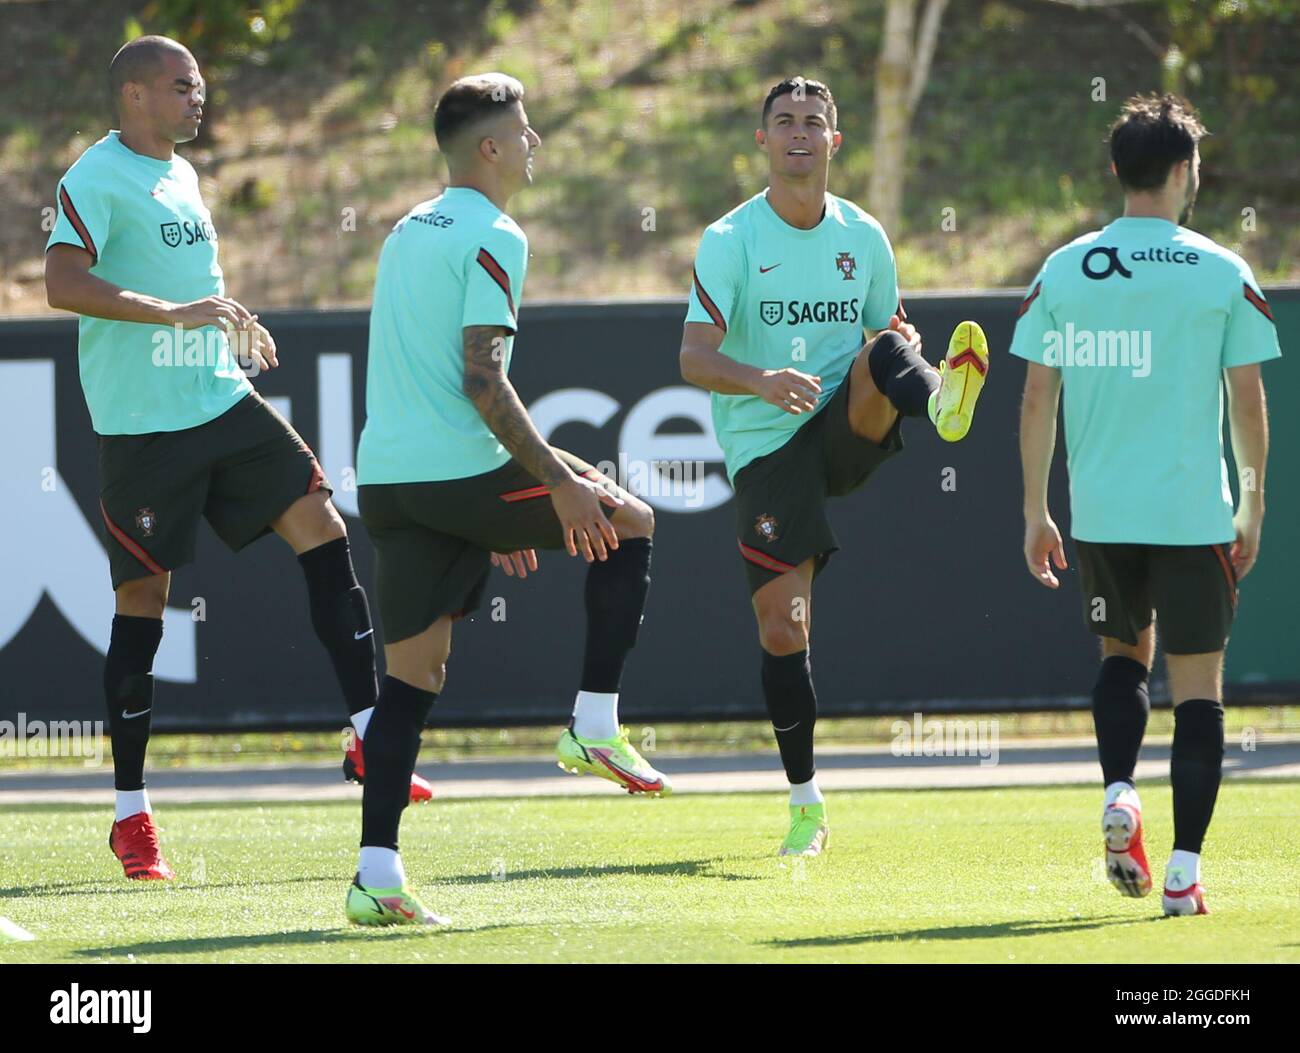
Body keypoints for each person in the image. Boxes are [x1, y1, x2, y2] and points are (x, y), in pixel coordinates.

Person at [43, 35, 427, 883]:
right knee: (144, 598)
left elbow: (192, 289)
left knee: (324, 523)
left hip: (221, 398)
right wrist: (177, 313)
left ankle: (367, 731)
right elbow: (63, 284)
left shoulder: (182, 175)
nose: (197, 99)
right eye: (183, 87)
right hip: (143, 426)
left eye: (200, 87)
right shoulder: (93, 177)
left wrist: (224, 317)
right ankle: (131, 812)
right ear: (136, 95)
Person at [346, 74, 668, 926]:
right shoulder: (497, 233)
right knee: (630, 522)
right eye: (525, 132)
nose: (536, 145)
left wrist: (496, 509)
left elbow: (445, 388)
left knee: (412, 681)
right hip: (459, 471)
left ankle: (376, 874)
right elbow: (483, 381)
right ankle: (594, 723)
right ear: (489, 147)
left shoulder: (405, 230)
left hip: (388, 481)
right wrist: (558, 484)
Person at [679, 77, 990, 858]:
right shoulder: (730, 240)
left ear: (834, 141)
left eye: (813, 122)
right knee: (785, 629)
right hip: (768, 444)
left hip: (848, 425)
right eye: (783, 122)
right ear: (761, 140)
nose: (798, 134)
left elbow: (890, 330)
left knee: (888, 347)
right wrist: (761, 381)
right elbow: (692, 357)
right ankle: (806, 804)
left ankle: (944, 407)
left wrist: (907, 353)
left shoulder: (865, 236)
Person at [1013, 93, 1279, 916]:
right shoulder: (1222, 269)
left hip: (1101, 514)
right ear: (1182, 171)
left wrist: (1036, 510)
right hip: (1194, 514)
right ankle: (1183, 872)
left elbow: (1034, 400)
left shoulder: (1063, 269)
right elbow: (1247, 402)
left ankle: (1121, 788)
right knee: (1198, 691)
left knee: (1121, 660)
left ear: (1119, 171)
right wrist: (1254, 502)